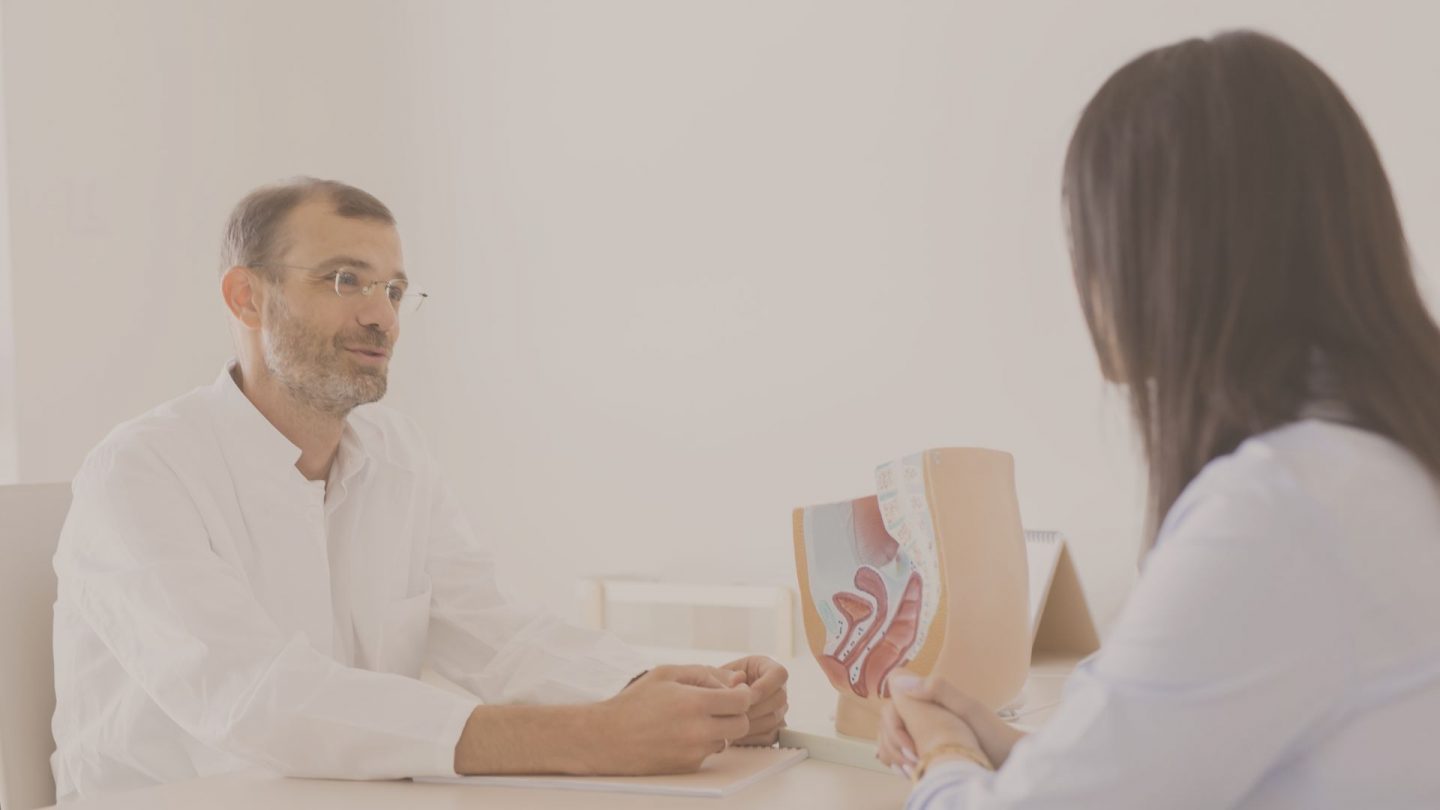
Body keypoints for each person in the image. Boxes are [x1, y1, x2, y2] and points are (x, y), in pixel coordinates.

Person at [50, 178, 788, 800]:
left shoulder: (397, 456)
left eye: (395, 289)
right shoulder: (140, 472)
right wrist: (592, 737)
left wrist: (674, 694)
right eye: (345, 280)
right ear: (247, 298)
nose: (382, 315)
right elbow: (255, 701)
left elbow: (498, 638)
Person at [877, 30, 1440, 808]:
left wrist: (940, 755)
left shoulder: (1277, 509)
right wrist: (1012, 752)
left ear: (1161, 254)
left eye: (1090, 235)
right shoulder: (1382, 460)